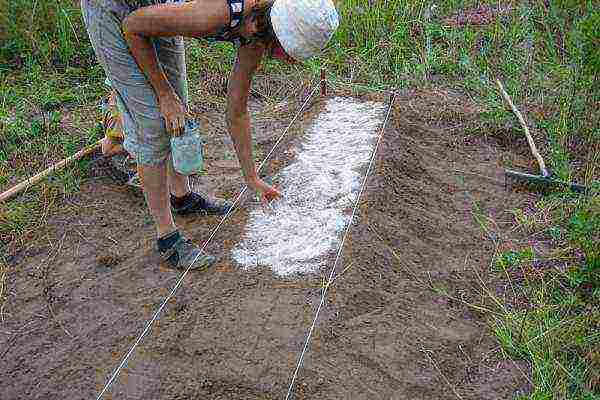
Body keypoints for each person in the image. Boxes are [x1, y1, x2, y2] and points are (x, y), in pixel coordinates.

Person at [81, 0, 339, 270]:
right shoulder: (218, 13)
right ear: (275, 31)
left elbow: (236, 111)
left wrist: (251, 178)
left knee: (179, 109)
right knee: (154, 125)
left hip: (156, 6)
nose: (287, 59)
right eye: (288, 52)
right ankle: (167, 238)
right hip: (114, 10)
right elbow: (133, 27)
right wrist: (163, 94)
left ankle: (182, 197)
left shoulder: (255, 34)